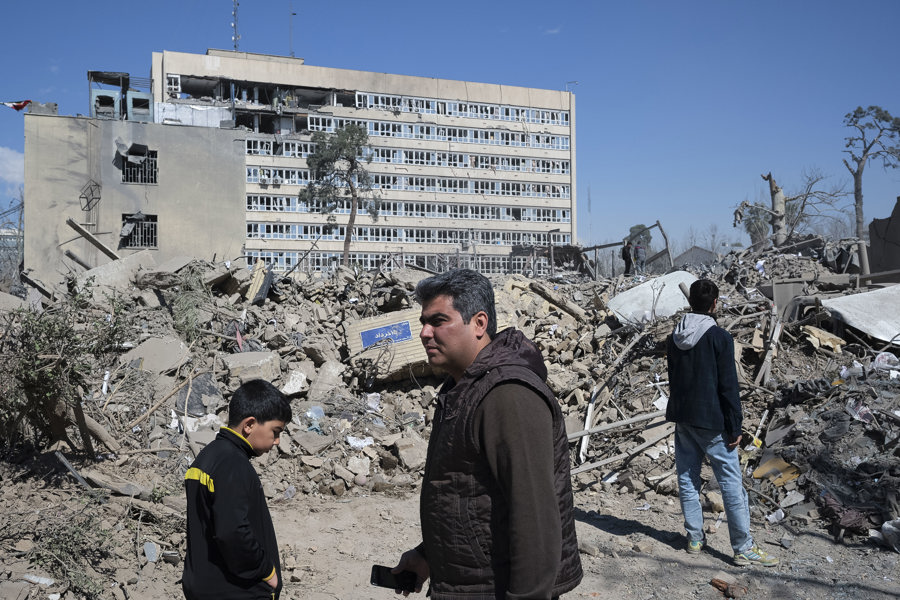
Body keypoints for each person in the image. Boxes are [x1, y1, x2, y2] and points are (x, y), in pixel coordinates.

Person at [393, 269, 583, 599]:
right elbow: (469, 495)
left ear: (479, 324)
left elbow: (535, 520)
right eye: (423, 322)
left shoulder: (507, 395)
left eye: (438, 321)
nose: (424, 333)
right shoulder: (462, 387)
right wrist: (427, 556)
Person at [666, 279, 778, 568]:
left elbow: (674, 379)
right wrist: (735, 426)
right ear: (714, 304)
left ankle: (694, 538)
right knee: (731, 484)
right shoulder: (719, 337)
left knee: (687, 478)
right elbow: (729, 386)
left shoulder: (675, 337)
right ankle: (742, 548)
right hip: (713, 422)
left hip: (683, 418)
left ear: (691, 302)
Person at [182, 379, 292, 599]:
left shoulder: (209, 457)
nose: (278, 441)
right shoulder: (233, 464)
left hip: (205, 585)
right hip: (235, 590)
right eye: (275, 431)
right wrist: (266, 571)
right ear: (249, 424)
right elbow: (232, 531)